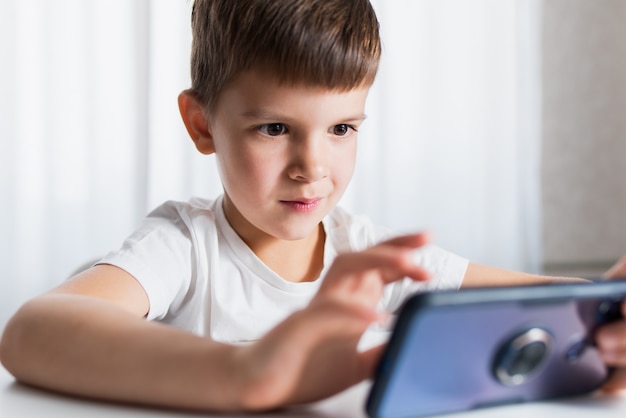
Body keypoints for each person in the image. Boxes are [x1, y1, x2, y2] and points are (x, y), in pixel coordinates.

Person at [2, 0, 626, 412]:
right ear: (201, 124)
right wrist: (248, 373)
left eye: (342, 129)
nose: (313, 167)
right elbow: (31, 331)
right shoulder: (185, 246)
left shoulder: (366, 255)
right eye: (274, 129)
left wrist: (607, 313)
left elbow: (544, 297)